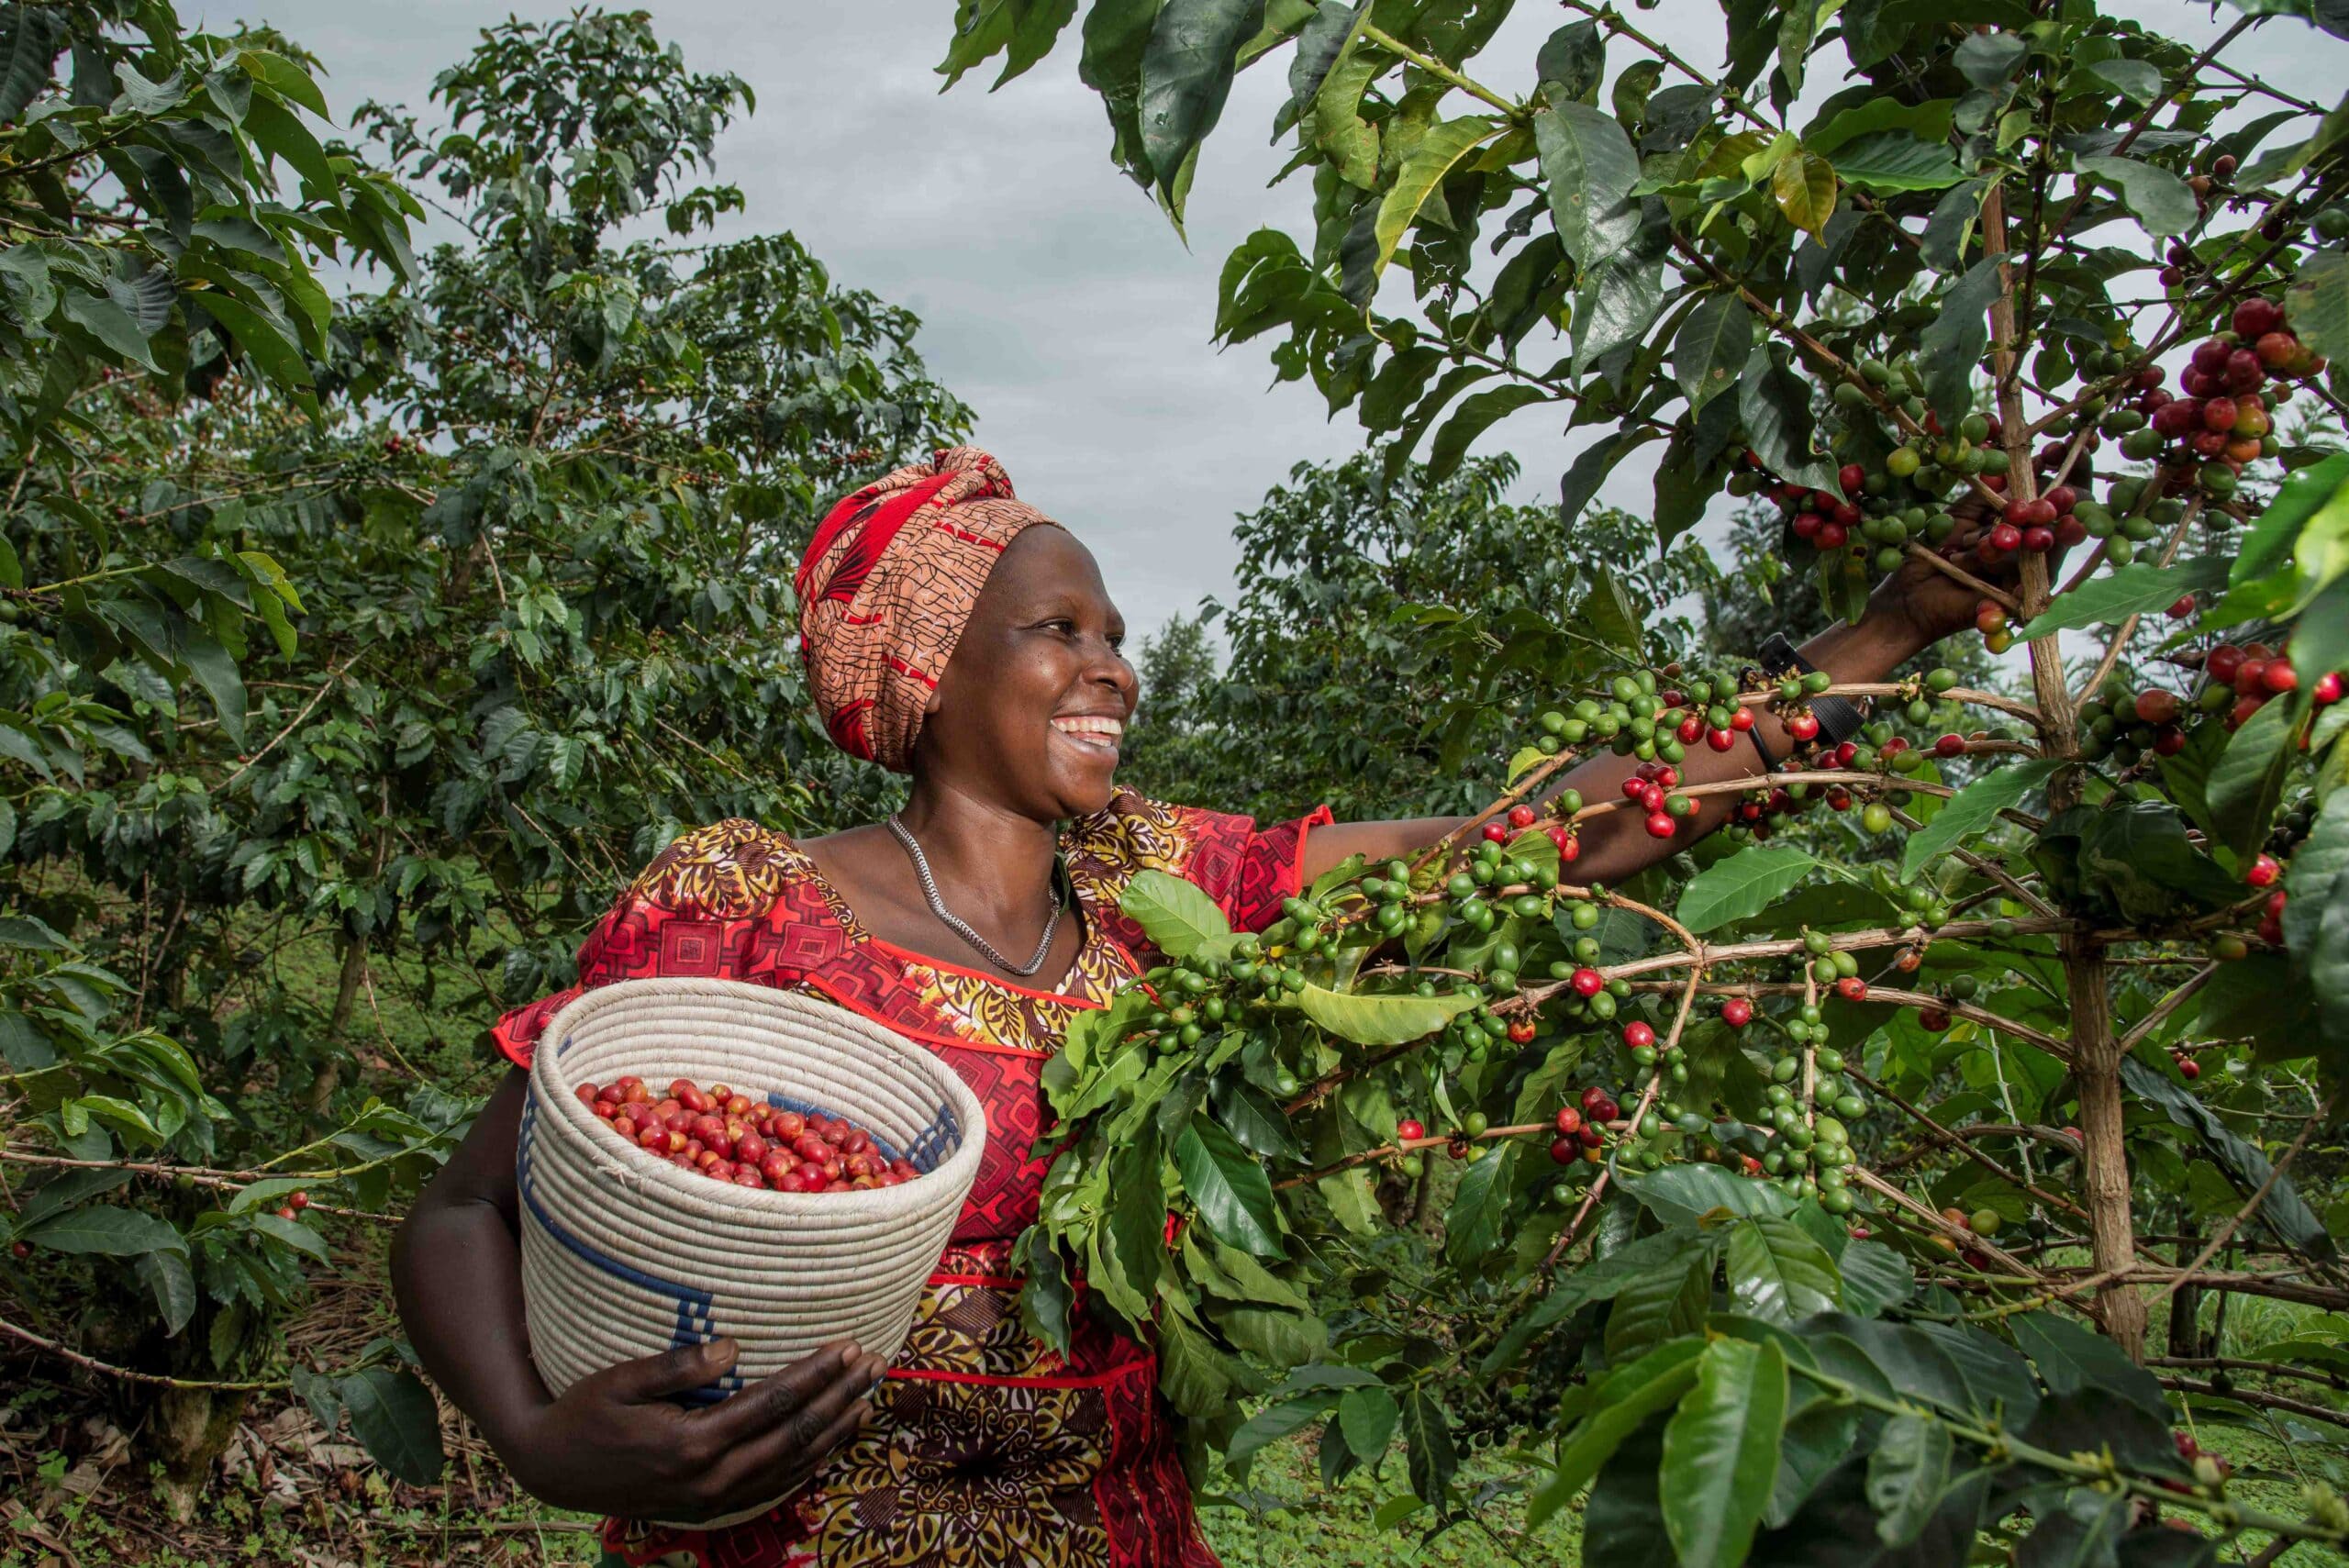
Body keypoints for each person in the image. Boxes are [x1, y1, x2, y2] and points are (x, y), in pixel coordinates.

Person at [393, 445, 2009, 1568]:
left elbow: (1518, 846)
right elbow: (467, 1207)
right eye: (1057, 630)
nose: (1112, 668)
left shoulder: (1170, 885)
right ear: (931, 667)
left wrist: (1882, 636)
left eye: (1116, 633)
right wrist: (539, 1439)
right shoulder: (738, 901)